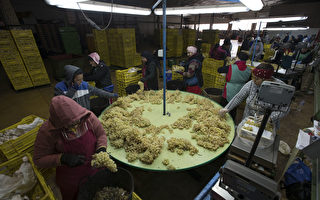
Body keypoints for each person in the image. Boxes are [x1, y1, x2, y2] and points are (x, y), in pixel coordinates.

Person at [33, 95, 108, 200]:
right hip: (71, 178)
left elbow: (101, 135)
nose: (75, 127)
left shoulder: (87, 117)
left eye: (78, 122)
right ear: (59, 124)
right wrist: (62, 158)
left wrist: (101, 148)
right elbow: (38, 159)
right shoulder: (47, 132)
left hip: (95, 168)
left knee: (99, 194)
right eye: (70, 125)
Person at [219, 63, 289, 129]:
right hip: (248, 119)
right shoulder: (252, 83)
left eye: (257, 79)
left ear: (267, 79)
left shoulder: (280, 88)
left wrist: (270, 118)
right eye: (253, 77)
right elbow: (239, 97)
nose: (253, 80)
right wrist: (227, 108)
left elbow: (285, 109)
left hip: (266, 123)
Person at [217, 51, 251, 120]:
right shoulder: (248, 69)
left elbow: (219, 70)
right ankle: (231, 120)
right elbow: (248, 80)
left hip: (229, 88)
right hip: (240, 89)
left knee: (224, 105)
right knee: (234, 106)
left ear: (238, 58)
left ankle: (221, 119)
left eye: (236, 57)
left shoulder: (231, 67)